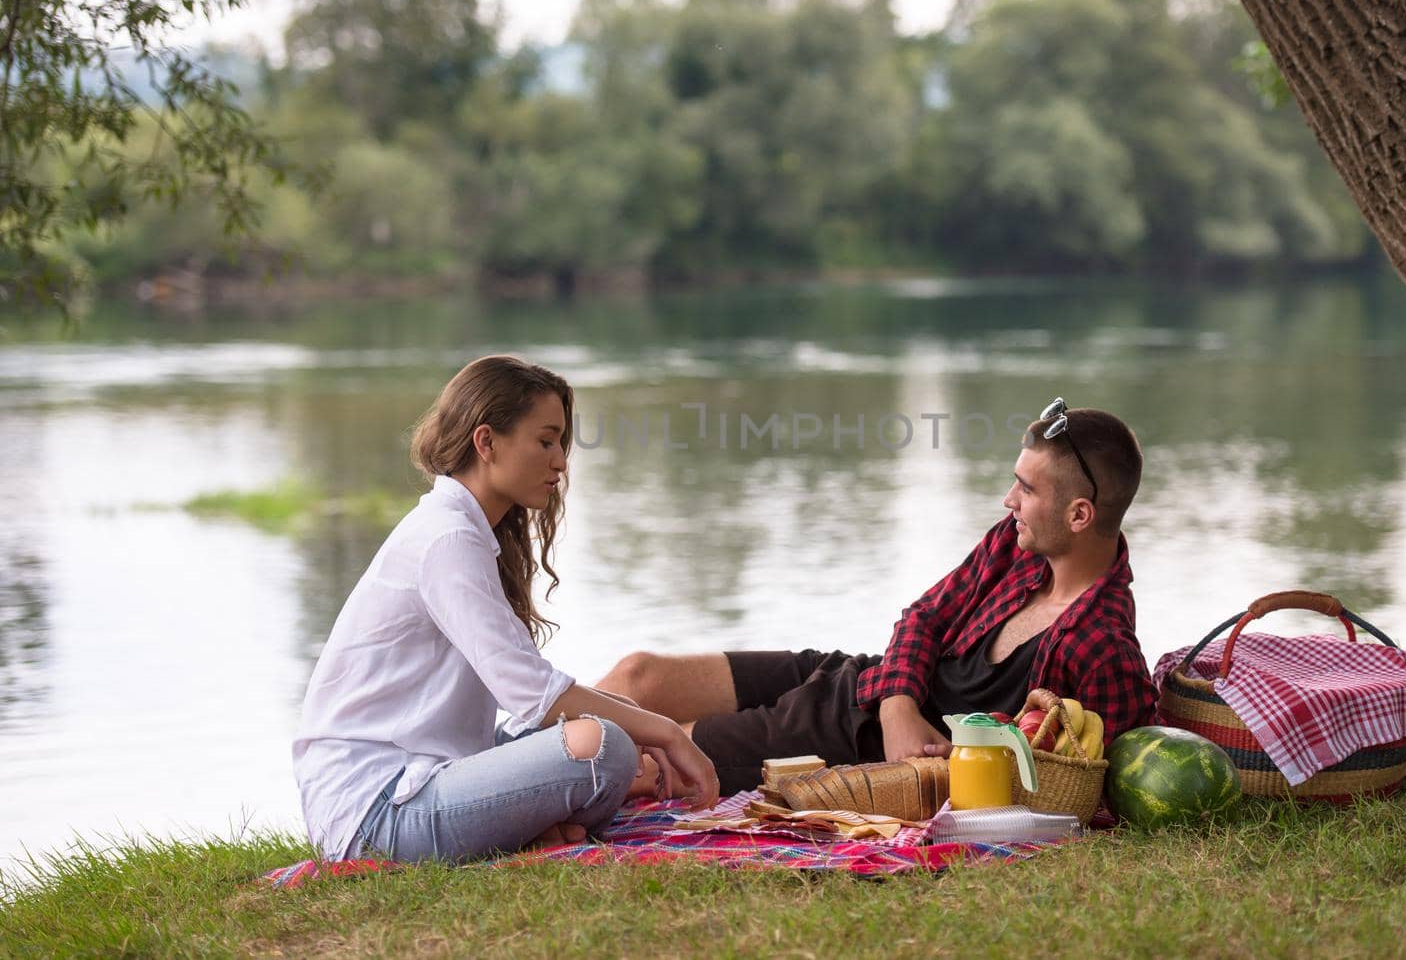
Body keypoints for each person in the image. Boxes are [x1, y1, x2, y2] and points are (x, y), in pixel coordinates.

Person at [598, 400, 1159, 796]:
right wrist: (899, 707)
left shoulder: (1101, 646)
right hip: (862, 680)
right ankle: (512, 751)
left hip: (845, 745)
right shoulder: (1016, 547)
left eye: (1027, 488)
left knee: (646, 756)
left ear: (1079, 514)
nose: (1009, 499)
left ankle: (515, 790)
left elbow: (1087, 785)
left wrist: (916, 754)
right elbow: (925, 617)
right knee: (639, 676)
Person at [292, 355, 719, 864]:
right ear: (487, 442)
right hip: (377, 812)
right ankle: (529, 828)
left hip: (424, 773)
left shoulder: (464, 530)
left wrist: (642, 727)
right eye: (545, 441)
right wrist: (667, 731)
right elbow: (534, 693)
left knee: (608, 742)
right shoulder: (447, 538)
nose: (560, 460)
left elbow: (525, 706)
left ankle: (529, 829)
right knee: (603, 748)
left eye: (561, 443)